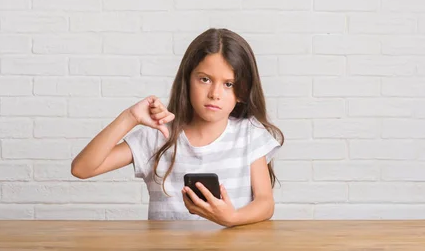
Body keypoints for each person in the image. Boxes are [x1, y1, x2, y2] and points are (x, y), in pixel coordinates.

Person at [71, 28, 284, 227]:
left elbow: (265, 203)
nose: (215, 94)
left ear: (242, 92)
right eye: (205, 79)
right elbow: (82, 169)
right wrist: (130, 117)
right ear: (187, 80)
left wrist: (232, 217)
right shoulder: (157, 136)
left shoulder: (249, 134)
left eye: (228, 84)